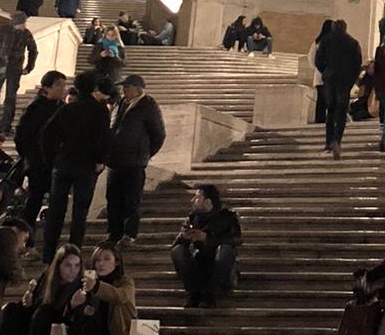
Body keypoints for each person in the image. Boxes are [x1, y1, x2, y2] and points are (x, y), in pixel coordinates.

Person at [41, 74, 113, 260]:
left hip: (63, 163)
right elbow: (105, 137)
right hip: (86, 166)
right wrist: (100, 160)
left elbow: (47, 133)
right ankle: (74, 252)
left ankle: (48, 253)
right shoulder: (100, 110)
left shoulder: (68, 108)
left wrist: (52, 158)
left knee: (56, 210)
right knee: (80, 213)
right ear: (93, 87)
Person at [0, 243, 82, 335]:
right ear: (58, 266)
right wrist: (27, 304)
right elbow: (36, 305)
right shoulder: (48, 278)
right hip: (38, 320)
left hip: (60, 323)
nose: (73, 270)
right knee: (11, 310)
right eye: (68, 265)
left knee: (44, 314)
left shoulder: (80, 285)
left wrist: (71, 306)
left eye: (77, 266)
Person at [105, 73, 166, 245]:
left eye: (127, 87)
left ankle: (129, 233)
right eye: (123, 87)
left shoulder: (148, 105)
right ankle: (113, 232)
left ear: (138, 89)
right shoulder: (121, 103)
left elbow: (158, 134)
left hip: (134, 162)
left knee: (131, 199)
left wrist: (145, 153)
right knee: (113, 197)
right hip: (115, 160)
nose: (124, 90)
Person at [170, 183, 243, 305]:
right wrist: (184, 238)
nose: (192, 200)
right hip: (200, 266)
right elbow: (175, 246)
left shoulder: (227, 216)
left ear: (208, 201)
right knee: (178, 250)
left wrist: (208, 239)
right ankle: (195, 293)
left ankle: (211, 293)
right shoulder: (193, 217)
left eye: (197, 197)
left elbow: (237, 240)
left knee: (226, 249)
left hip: (222, 270)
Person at [13, 70, 67, 223]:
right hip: (38, 162)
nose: (63, 89)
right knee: (34, 199)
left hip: (57, 162)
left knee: (56, 199)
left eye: (64, 85)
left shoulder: (63, 107)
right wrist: (30, 156)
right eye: (58, 85)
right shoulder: (35, 108)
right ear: (46, 88)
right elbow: (22, 136)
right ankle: (27, 234)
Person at [314, 17, 364, 158]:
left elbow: (318, 60)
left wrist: (326, 72)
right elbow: (357, 64)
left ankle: (329, 141)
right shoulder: (353, 43)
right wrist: (352, 80)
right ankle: (337, 140)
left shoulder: (326, 41)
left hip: (330, 79)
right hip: (345, 81)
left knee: (330, 111)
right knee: (341, 112)